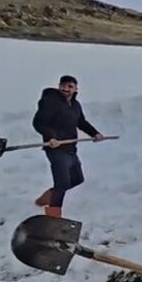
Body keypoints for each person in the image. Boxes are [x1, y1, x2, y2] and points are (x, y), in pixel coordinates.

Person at [31, 75, 104, 217]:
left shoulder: (75, 105)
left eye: (70, 86)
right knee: (62, 182)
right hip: (55, 148)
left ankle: (49, 196)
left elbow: (81, 122)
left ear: (76, 89)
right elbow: (39, 122)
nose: (66, 89)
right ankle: (53, 216)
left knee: (77, 179)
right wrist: (51, 137)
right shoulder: (50, 101)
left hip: (70, 148)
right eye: (63, 85)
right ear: (59, 86)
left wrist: (95, 133)